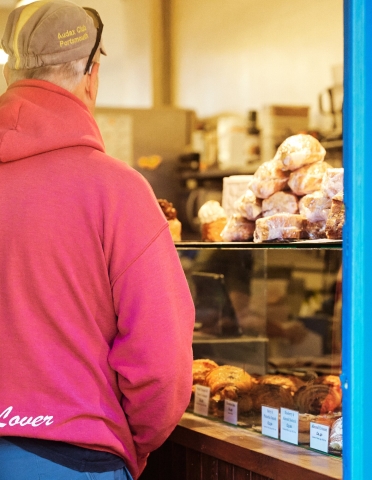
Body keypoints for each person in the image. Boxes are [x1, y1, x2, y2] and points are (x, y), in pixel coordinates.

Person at [0, 1, 195, 479]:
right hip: (71, 458)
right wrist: (130, 444)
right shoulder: (117, 190)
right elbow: (160, 362)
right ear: (92, 74)